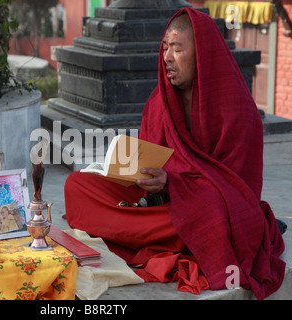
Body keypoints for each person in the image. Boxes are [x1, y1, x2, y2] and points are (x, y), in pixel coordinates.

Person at [64, 8, 285, 299]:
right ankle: (173, 236)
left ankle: (154, 234)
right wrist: (133, 175)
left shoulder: (237, 111)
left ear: (202, 53)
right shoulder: (160, 102)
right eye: (165, 47)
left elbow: (236, 191)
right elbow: (147, 159)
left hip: (205, 209)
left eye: (177, 48)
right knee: (77, 186)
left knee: (215, 215)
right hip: (160, 206)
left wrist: (173, 184)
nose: (167, 56)